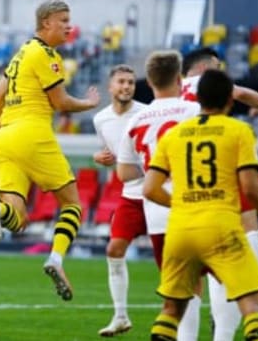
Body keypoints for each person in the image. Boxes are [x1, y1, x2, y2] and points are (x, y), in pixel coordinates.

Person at [144, 70, 258, 341]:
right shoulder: (239, 131)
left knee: (171, 310)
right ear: (231, 100)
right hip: (222, 229)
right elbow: (251, 189)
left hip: (181, 231)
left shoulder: (174, 134)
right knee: (254, 303)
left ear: (197, 99)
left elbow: (149, 188)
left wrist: (182, 205)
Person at [181, 47, 258, 338]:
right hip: (211, 159)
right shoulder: (206, 88)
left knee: (201, 272)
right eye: (218, 67)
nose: (222, 73)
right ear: (204, 69)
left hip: (181, 183)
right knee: (248, 220)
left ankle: (222, 322)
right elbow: (245, 94)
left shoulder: (170, 96)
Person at [0, 0, 101, 301]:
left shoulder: (20, 54)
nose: (69, 26)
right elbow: (61, 103)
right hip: (33, 132)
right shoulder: (46, 55)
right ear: (47, 22)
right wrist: (88, 104)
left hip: (6, 137)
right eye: (63, 20)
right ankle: (56, 259)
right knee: (73, 204)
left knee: (17, 218)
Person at [116, 50, 204, 340]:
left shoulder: (136, 120)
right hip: (195, 203)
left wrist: (151, 166)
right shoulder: (194, 111)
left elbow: (125, 173)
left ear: (149, 83)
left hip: (157, 210)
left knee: (176, 284)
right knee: (210, 281)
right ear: (179, 79)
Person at [92, 64, 147, 337]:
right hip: (130, 195)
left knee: (180, 256)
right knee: (114, 250)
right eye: (121, 82)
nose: (126, 87)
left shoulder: (147, 113)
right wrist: (99, 158)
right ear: (110, 87)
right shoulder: (100, 119)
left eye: (131, 83)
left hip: (160, 194)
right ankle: (120, 316)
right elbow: (112, 154)